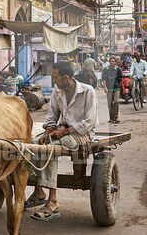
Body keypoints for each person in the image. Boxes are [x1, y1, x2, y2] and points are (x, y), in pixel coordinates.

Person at [27, 61, 98, 220]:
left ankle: (53, 202)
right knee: (35, 143)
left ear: (66, 77)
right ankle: (39, 191)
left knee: (50, 149)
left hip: (81, 134)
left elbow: (89, 123)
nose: (54, 80)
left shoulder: (88, 92)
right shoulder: (57, 91)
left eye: (55, 77)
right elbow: (51, 116)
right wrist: (49, 131)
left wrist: (65, 131)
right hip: (61, 131)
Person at [101, 57, 122, 124]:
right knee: (109, 103)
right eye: (111, 61)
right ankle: (111, 118)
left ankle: (115, 117)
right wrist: (105, 87)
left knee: (116, 102)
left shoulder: (118, 70)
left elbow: (120, 80)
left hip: (116, 88)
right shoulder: (105, 70)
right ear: (109, 62)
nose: (112, 62)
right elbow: (103, 79)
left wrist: (122, 88)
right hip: (109, 88)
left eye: (113, 61)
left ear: (115, 62)